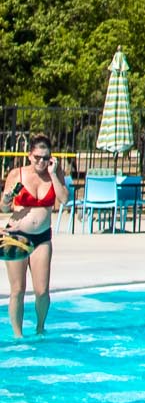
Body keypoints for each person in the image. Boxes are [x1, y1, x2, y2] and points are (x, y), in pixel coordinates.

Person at [5, 135, 70, 338]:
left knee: (42, 291)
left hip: (42, 237)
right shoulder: (17, 174)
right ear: (29, 156)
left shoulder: (54, 173)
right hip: (16, 236)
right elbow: (2, 206)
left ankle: (40, 328)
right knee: (18, 290)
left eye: (45, 157)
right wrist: (6, 198)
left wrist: (53, 175)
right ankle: (18, 335)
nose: (41, 162)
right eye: (37, 157)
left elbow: (65, 199)